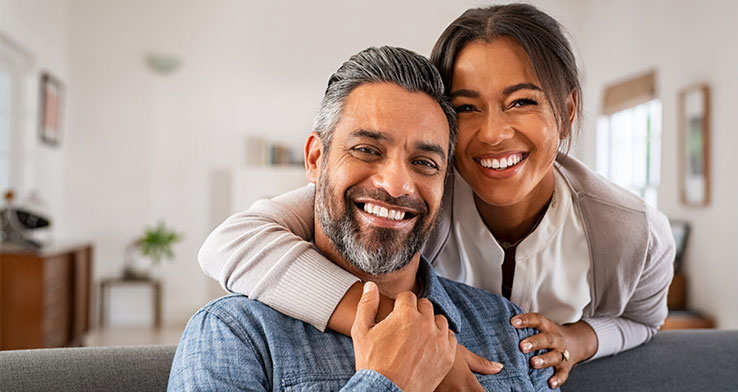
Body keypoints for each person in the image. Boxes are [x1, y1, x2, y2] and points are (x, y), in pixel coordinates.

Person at [198, 3, 675, 389]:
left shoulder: (628, 230)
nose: (493, 133)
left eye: (522, 101)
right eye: (466, 107)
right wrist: (409, 336)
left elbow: (644, 320)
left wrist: (579, 339)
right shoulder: (419, 192)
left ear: (567, 111)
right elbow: (232, 242)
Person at [170, 46, 555, 391]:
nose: (396, 184)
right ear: (315, 160)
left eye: (424, 162)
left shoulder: (510, 330)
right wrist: (387, 383)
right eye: (367, 150)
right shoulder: (235, 335)